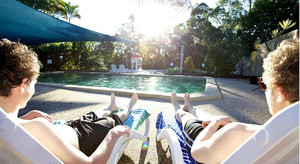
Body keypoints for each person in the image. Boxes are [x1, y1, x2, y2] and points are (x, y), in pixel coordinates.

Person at [0, 38, 138, 163]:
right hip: (83, 137)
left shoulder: (7, 123)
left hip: (70, 127)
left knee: (90, 116)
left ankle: (110, 107)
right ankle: (128, 108)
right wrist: (113, 134)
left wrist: (29, 115)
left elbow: (12, 125)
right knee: (114, 119)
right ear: (23, 84)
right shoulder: (37, 127)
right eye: (33, 83)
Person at [171, 39, 299, 163]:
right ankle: (192, 109)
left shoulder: (237, 132)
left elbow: (196, 152)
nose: (265, 91)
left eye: (265, 85)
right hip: (225, 141)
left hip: (205, 142)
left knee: (188, 118)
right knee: (209, 117)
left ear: (280, 94)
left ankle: (179, 109)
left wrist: (214, 124)